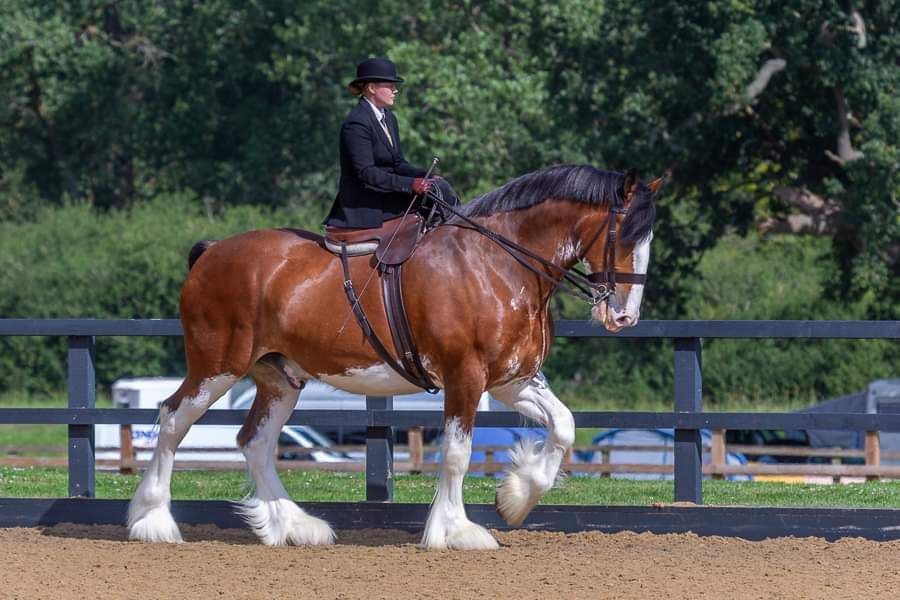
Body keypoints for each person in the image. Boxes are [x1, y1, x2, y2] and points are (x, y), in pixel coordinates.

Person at [324, 58, 458, 229]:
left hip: (386, 192)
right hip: (364, 201)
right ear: (372, 88)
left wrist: (426, 176)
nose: (395, 90)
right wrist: (410, 184)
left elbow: (398, 163)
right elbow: (367, 173)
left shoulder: (389, 118)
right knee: (433, 199)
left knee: (441, 189)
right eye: (390, 86)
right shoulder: (356, 123)